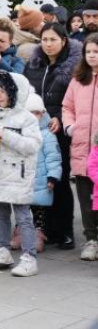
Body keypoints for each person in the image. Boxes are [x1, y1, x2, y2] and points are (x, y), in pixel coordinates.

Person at [0, 71, 42, 277]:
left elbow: (32, 145)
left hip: (18, 175)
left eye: (4, 90)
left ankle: (29, 257)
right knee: (1, 214)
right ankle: (3, 250)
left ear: (16, 92)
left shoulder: (27, 118)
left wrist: (5, 135)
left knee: (23, 216)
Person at [26, 22, 80, 249]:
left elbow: (76, 100)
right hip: (35, 128)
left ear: (64, 41)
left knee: (59, 179)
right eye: (44, 39)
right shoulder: (34, 64)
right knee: (38, 179)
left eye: (53, 40)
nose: (48, 44)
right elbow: (26, 93)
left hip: (60, 130)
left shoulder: (75, 66)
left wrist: (58, 116)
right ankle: (42, 227)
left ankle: (64, 229)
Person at [62, 33, 98, 259]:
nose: (92, 56)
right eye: (89, 52)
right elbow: (67, 106)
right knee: (85, 197)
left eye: (96, 51)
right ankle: (91, 239)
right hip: (81, 147)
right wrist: (70, 126)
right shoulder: (78, 79)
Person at [24, 93, 62, 253]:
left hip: (41, 181)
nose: (34, 116)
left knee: (39, 212)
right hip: (24, 179)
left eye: (37, 113)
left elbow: (53, 157)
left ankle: (38, 236)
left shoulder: (47, 134)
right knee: (23, 210)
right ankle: (22, 235)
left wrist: (53, 177)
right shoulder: (21, 132)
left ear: (43, 113)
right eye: (30, 113)